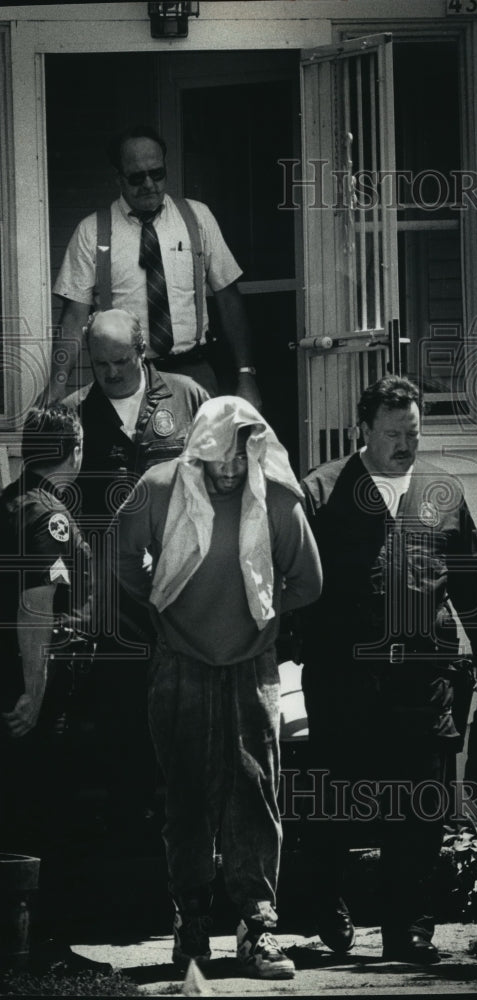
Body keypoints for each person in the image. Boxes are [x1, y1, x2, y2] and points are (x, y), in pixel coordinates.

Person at [111, 396, 322, 979]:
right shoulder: (158, 488)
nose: (229, 470)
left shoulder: (275, 495)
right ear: (198, 448)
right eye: (217, 457)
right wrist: (166, 606)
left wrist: (262, 614)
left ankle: (257, 928)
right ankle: (192, 922)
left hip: (252, 667)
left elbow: (308, 579)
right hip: (179, 664)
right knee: (186, 799)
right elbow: (123, 560)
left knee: (255, 795)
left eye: (239, 456)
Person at [300, 374, 477, 965]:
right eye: (393, 434)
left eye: (413, 432)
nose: (405, 444)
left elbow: (471, 576)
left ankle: (409, 931)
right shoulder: (322, 491)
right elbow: (293, 576)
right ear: (363, 430)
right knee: (340, 801)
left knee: (420, 811)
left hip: (424, 681)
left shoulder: (442, 491)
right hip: (345, 681)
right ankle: (322, 898)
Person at [63, 307, 208, 840]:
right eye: (100, 364)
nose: (112, 374)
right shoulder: (74, 414)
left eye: (121, 361)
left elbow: (224, 476)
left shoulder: (190, 397)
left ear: (143, 348)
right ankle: (130, 823)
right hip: (111, 594)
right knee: (123, 708)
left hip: (185, 582)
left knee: (191, 704)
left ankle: (192, 822)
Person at [0, 405, 112, 974]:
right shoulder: (48, 515)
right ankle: (46, 946)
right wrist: (36, 692)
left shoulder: (11, 503)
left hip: (18, 685)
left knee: (21, 810)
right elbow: (35, 606)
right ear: (74, 450)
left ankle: (25, 942)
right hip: (42, 693)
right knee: (48, 814)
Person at [50, 123, 260, 409]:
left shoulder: (197, 217)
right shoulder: (91, 232)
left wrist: (246, 375)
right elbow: (74, 319)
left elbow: (228, 298)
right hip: (125, 378)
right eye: (137, 177)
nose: (149, 184)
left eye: (157, 173)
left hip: (194, 371)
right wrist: (56, 387)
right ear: (119, 179)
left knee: (201, 453)